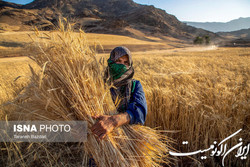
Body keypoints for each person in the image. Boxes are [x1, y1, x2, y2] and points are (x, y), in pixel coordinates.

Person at [91, 46, 147, 140]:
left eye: (126, 63)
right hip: (100, 135)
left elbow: (140, 113)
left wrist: (113, 121)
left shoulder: (135, 85)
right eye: (119, 61)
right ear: (111, 62)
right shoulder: (99, 84)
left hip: (126, 139)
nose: (122, 66)